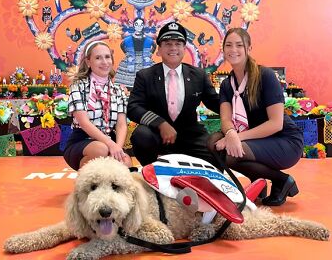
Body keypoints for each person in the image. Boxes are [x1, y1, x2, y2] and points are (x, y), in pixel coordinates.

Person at [207, 28, 303, 206]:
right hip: (257, 140)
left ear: (249, 49)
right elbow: (226, 119)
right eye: (228, 45)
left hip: (284, 140)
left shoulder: (265, 76)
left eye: (239, 45)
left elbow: (276, 124)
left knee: (231, 153)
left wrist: (236, 137)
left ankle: (282, 181)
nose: (233, 50)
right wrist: (229, 133)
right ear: (223, 50)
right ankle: (258, 182)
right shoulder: (228, 84)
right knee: (214, 143)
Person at [127, 21, 220, 167]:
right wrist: (160, 124)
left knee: (215, 152)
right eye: (168, 43)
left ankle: (201, 187)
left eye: (178, 44)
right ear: (159, 49)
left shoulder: (198, 75)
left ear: (184, 48)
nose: (173, 48)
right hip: (157, 135)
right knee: (141, 136)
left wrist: (239, 106)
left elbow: (215, 103)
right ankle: (154, 181)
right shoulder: (145, 76)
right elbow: (133, 107)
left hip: (190, 136)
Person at [64, 40, 131, 170]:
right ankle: (86, 186)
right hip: (82, 141)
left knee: (125, 163)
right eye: (98, 58)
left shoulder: (119, 90)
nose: (105, 62)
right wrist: (110, 145)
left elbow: (121, 125)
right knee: (101, 149)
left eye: (107, 57)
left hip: (110, 140)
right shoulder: (78, 87)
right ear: (88, 62)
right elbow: (84, 123)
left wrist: (117, 148)